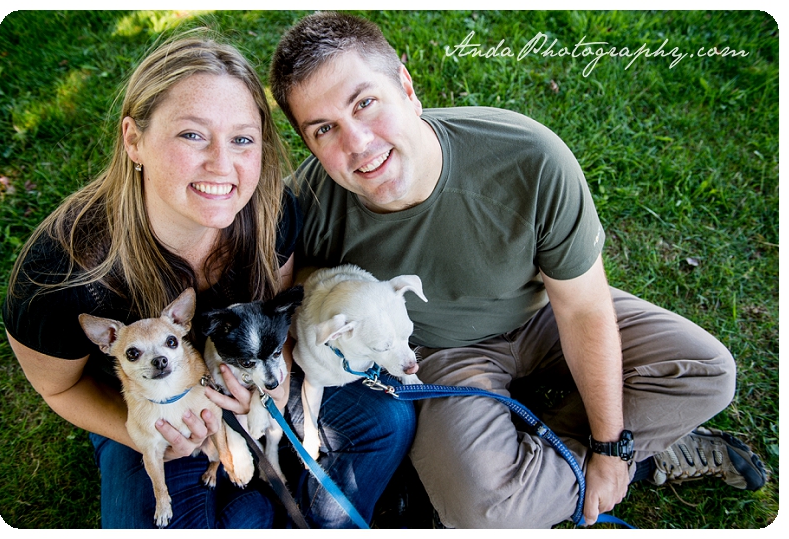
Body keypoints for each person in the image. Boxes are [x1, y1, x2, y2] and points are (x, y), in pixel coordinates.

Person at [269, 12, 768, 528]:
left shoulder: (529, 157)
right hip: (440, 352)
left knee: (707, 371)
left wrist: (611, 445)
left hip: (545, 310)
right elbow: (281, 298)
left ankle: (584, 466)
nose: (357, 143)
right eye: (324, 129)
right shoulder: (310, 203)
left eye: (365, 103)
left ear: (407, 88)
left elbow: (583, 308)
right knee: (486, 513)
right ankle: (635, 461)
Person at [3, 31, 414, 529]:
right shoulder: (60, 274)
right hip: (152, 403)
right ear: (134, 139)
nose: (222, 165)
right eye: (192, 134)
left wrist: (277, 384)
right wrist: (152, 433)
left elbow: (275, 310)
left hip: (245, 373)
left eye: (242, 139)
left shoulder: (270, 209)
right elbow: (60, 390)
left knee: (384, 424)